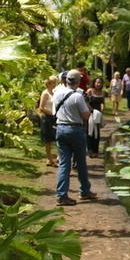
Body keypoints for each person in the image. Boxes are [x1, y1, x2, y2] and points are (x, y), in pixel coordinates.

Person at [53, 69, 96, 206]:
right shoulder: (77, 96)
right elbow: (85, 116)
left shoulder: (58, 93)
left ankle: (61, 195)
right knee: (80, 162)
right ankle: (84, 191)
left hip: (60, 128)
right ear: (78, 81)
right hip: (75, 129)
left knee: (64, 163)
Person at [38, 75, 58, 167]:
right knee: (48, 139)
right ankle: (49, 159)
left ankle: (57, 158)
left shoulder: (55, 92)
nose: (54, 84)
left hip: (55, 117)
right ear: (48, 83)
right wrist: (52, 113)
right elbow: (41, 108)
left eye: (55, 82)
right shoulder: (45, 93)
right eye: (53, 82)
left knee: (56, 138)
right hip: (47, 117)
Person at [86, 77, 105, 158]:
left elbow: (103, 103)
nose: (98, 84)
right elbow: (85, 101)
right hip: (90, 113)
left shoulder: (102, 92)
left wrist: (102, 109)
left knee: (97, 133)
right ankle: (90, 150)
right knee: (90, 131)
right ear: (94, 83)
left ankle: (95, 150)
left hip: (98, 114)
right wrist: (92, 110)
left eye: (100, 83)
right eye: (97, 82)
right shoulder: (90, 91)